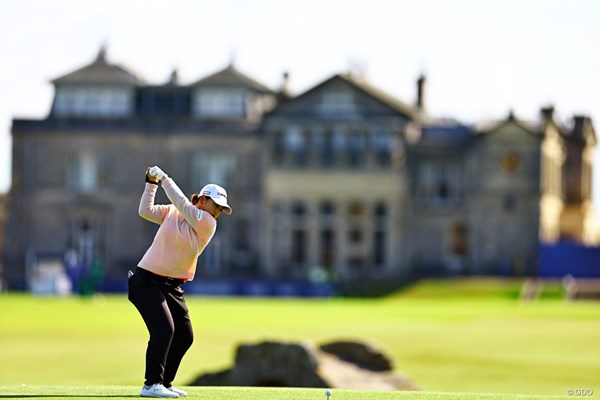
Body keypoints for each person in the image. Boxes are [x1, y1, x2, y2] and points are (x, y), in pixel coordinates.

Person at [128, 165, 232, 398]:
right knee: (164, 330)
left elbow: (183, 204)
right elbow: (145, 211)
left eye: (221, 209)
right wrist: (150, 184)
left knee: (185, 336)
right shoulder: (174, 213)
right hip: (146, 281)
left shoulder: (207, 223)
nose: (217, 212)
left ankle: (163, 383)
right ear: (203, 199)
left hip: (172, 286)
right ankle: (151, 385)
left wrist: (164, 178)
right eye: (216, 205)